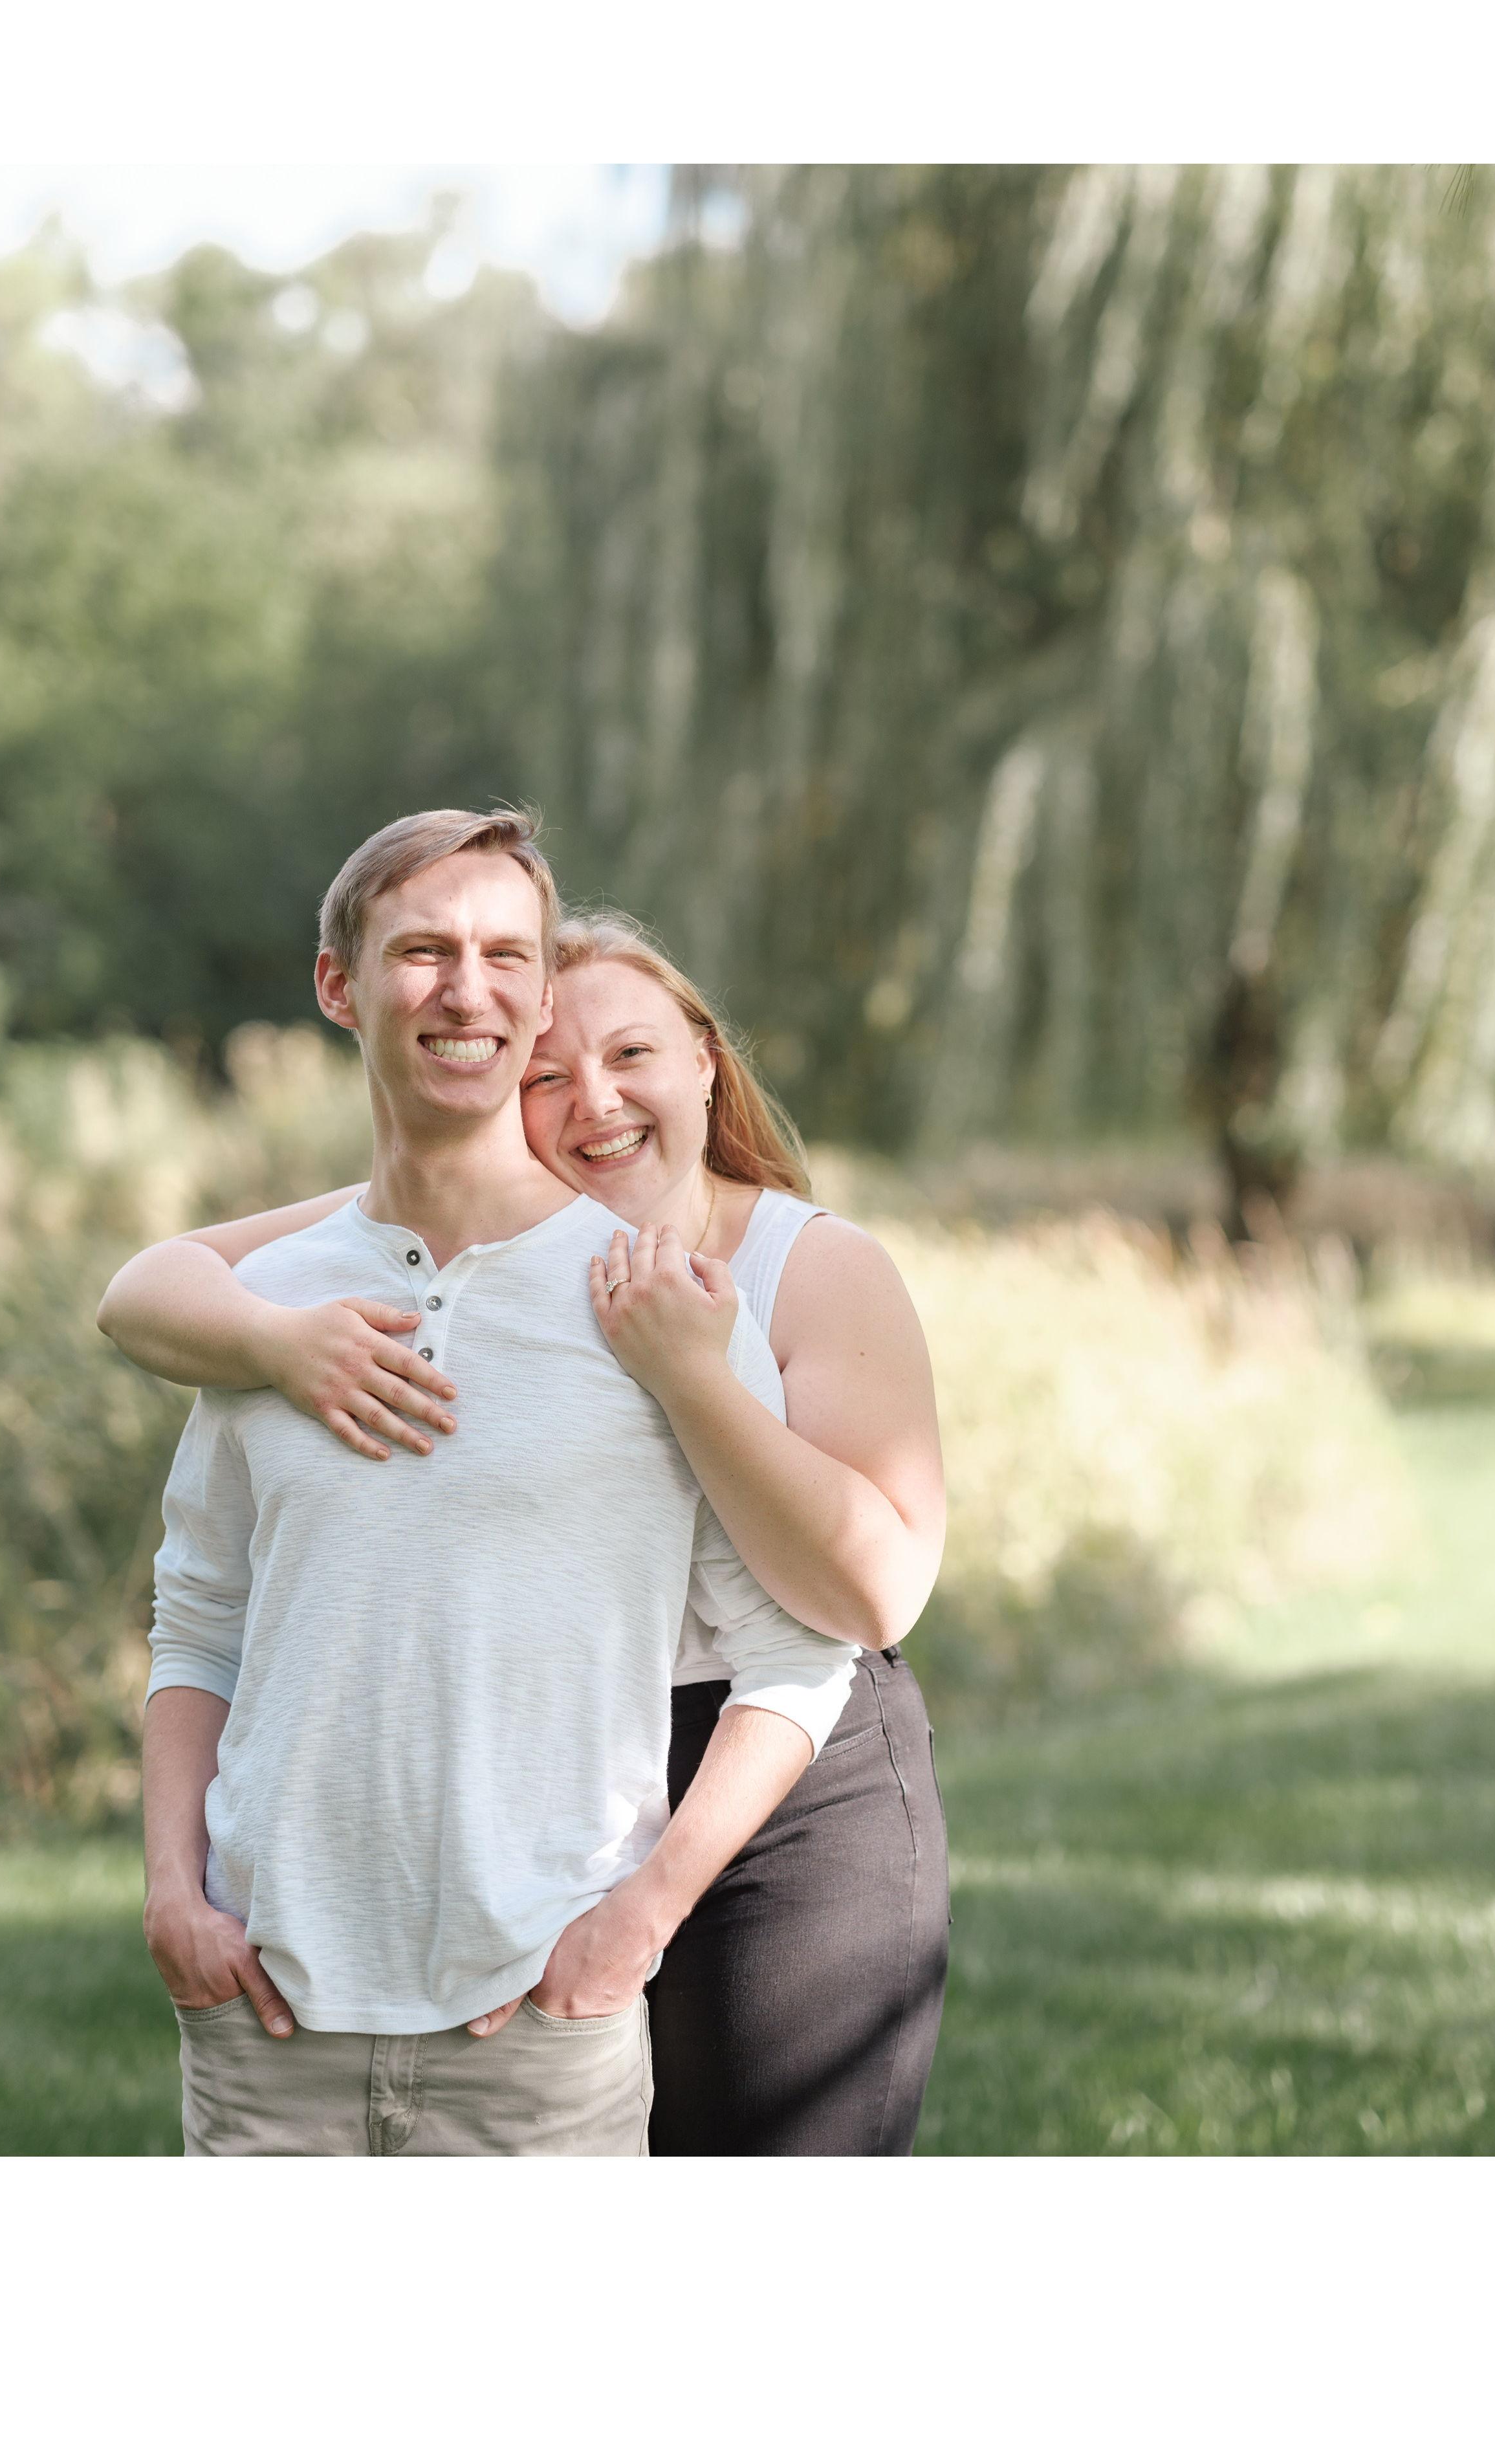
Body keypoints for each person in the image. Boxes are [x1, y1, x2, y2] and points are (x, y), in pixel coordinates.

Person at [102, 907, 952, 2155]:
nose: (593, 1102)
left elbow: (867, 1602)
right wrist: (277, 1345)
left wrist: (689, 1374)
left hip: (774, 1765)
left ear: (707, 1061)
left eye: (633, 1057)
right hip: (552, 1761)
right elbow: (144, 1292)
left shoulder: (804, 1264)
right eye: (548, 1073)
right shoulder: (471, 1232)